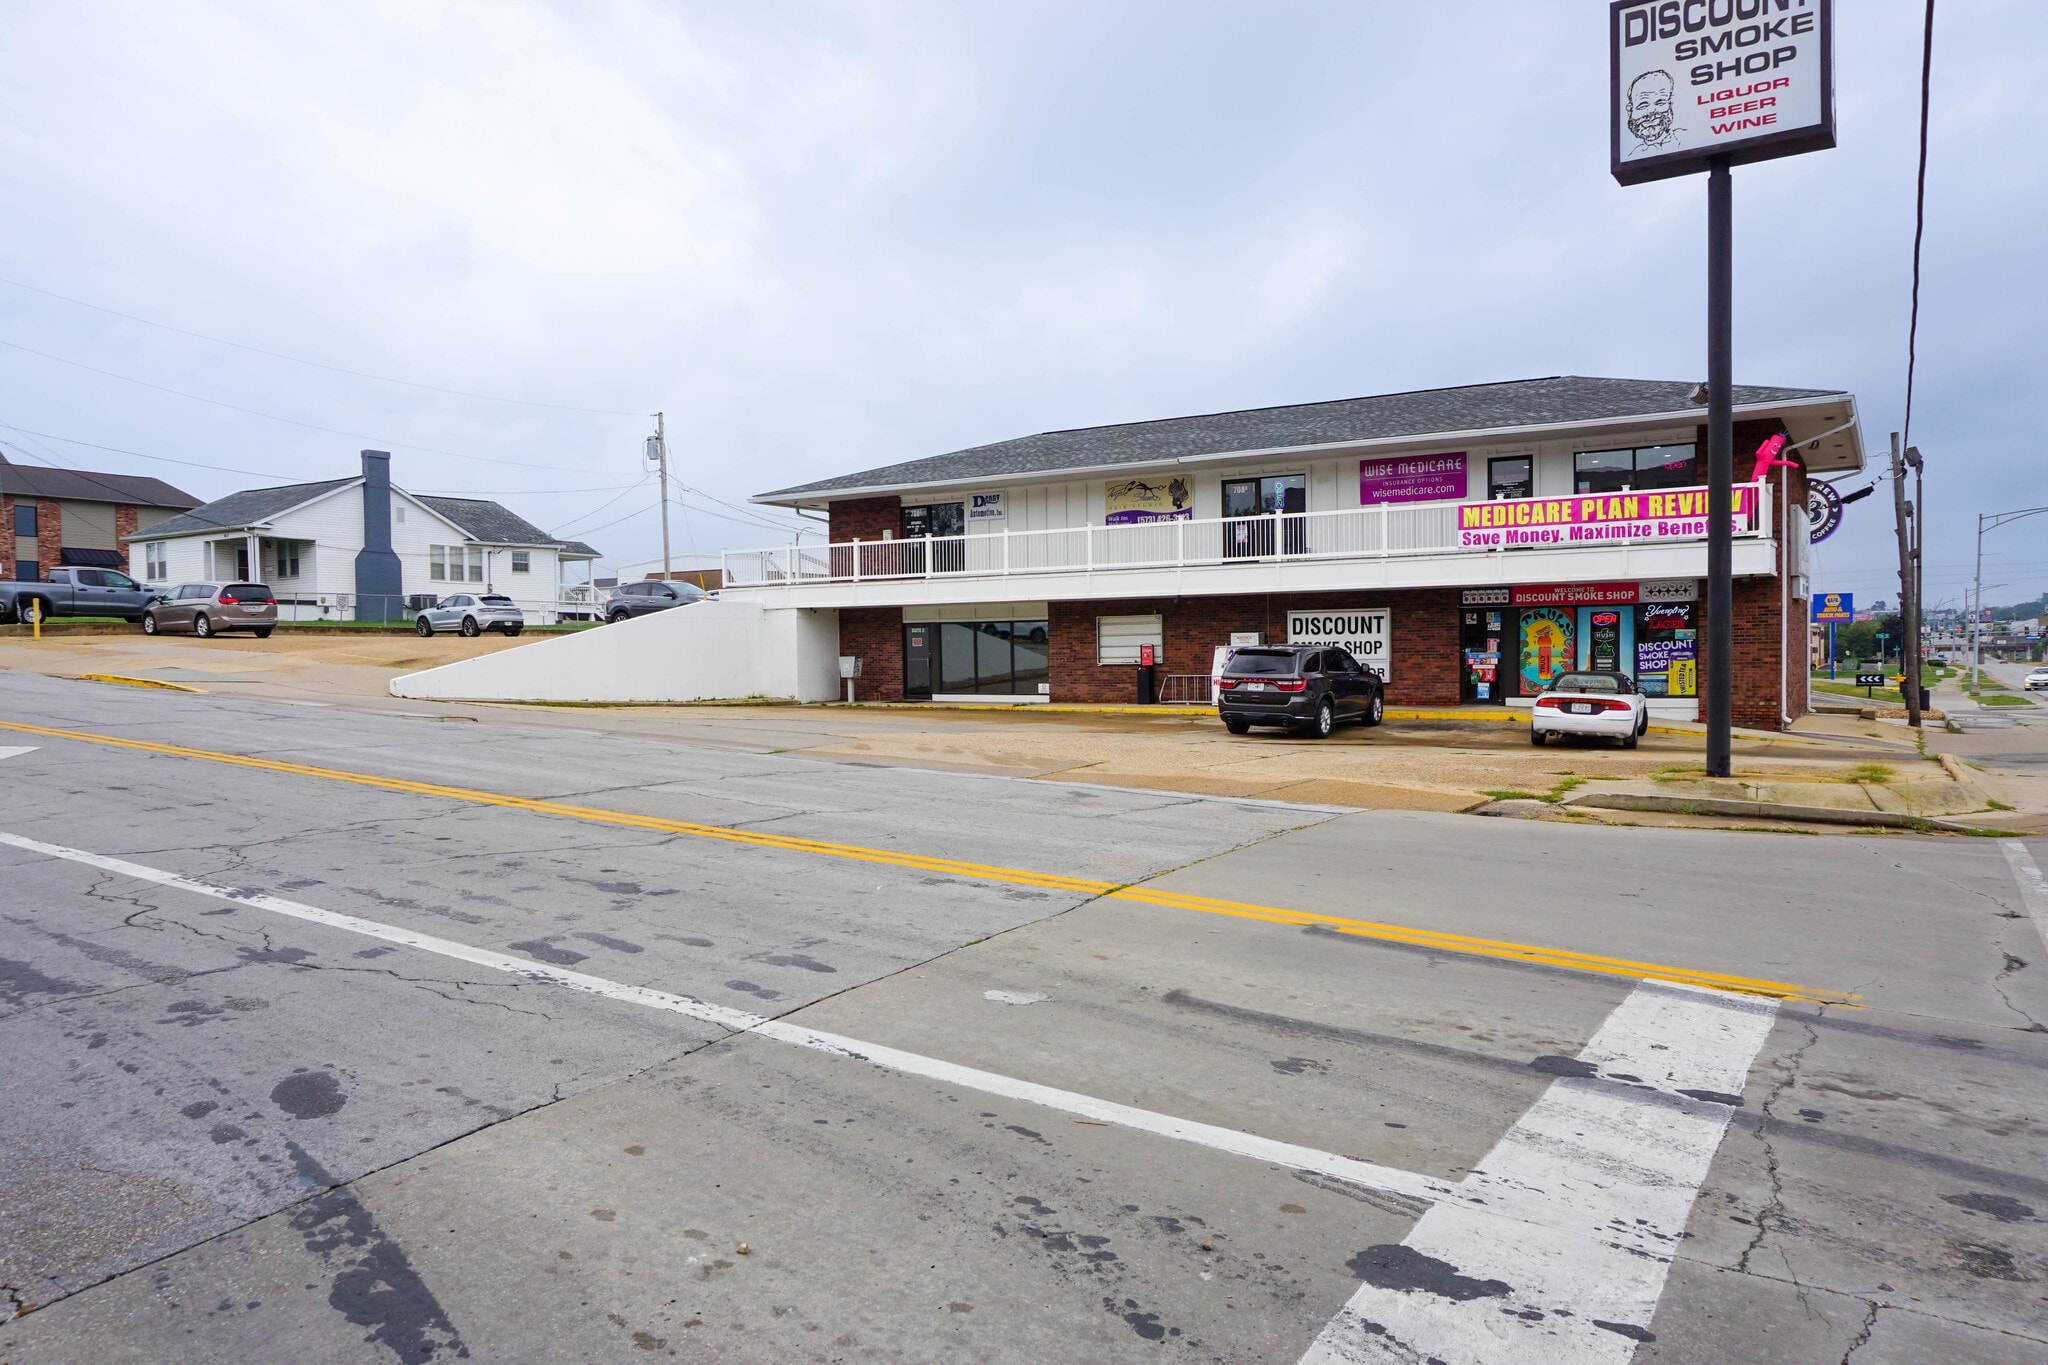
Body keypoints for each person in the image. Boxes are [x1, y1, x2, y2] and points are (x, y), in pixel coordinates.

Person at [1625, 69, 1684, 155]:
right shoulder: (1634, 155)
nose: (1651, 112)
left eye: (1660, 103)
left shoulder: (1686, 139)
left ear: (1670, 104)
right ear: (1630, 110)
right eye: (1643, 106)